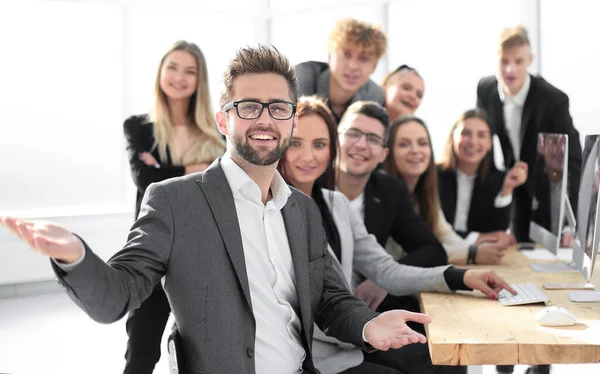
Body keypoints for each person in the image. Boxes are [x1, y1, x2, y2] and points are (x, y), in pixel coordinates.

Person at [0, 45, 437, 374]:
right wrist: (74, 254)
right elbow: (116, 296)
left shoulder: (302, 211)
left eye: (278, 108)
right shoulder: (174, 201)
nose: (265, 119)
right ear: (223, 120)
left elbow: (330, 299)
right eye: (248, 107)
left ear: (290, 120)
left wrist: (367, 326)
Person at [279, 96, 515, 374]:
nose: (308, 156)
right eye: (295, 143)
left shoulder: (336, 204)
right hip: (317, 355)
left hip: (351, 340)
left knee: (449, 361)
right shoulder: (276, 209)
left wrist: (460, 276)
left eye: (319, 144)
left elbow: (385, 268)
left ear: (331, 149)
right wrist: (369, 326)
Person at [122, 40, 225, 374]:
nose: (179, 77)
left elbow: (221, 185)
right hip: (153, 247)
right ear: (160, 73)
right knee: (141, 350)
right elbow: (146, 181)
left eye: (190, 71)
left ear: (200, 80)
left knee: (203, 353)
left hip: (201, 248)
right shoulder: (139, 126)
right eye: (173, 67)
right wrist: (192, 169)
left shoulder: (215, 130)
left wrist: (165, 170)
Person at [476, 25, 582, 246]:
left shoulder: (553, 100)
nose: (510, 70)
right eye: (504, 61)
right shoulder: (485, 89)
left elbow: (570, 161)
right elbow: (480, 139)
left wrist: (568, 222)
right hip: (512, 189)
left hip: (546, 192)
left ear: (530, 60)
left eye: (518, 62)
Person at [382, 115, 511, 266]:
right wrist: (472, 253)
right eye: (404, 144)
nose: (415, 150)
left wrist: (476, 250)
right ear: (387, 152)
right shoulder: (385, 192)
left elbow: (445, 233)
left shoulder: (424, 189)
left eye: (422, 143)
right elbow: (412, 254)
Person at [437, 108, 527, 245]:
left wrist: (507, 189)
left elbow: (497, 233)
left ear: (490, 143)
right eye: (465, 133)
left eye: (481, 135)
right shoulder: (433, 175)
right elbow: (433, 229)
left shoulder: (497, 179)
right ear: (453, 138)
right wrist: (476, 238)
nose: (473, 142)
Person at [296, 18, 386, 123]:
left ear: (374, 66)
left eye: (363, 58)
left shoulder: (374, 96)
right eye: (346, 55)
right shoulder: (300, 79)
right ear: (330, 56)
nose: (353, 66)